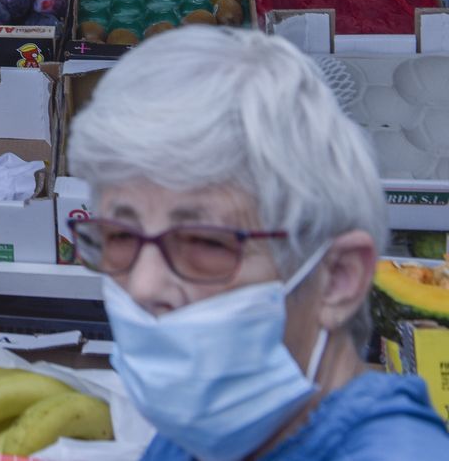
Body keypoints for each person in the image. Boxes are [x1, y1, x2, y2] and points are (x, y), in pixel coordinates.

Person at [67, 25, 449, 461]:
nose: (144, 286)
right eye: (119, 236)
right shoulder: (194, 440)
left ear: (337, 277)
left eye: (205, 243)